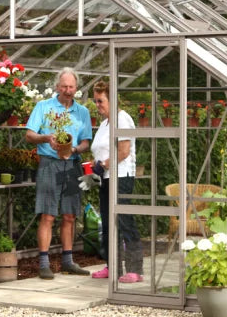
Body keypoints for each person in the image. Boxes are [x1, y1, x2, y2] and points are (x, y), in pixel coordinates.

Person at [25, 67, 93, 279]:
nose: (68, 90)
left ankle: (67, 261)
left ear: (76, 87)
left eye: (71, 86)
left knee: (70, 215)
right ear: (57, 86)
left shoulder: (82, 112)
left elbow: (85, 142)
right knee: (48, 215)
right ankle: (44, 263)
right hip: (49, 163)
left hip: (72, 165)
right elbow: (29, 134)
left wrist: (74, 149)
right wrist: (47, 138)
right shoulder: (44, 107)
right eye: (64, 86)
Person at [87, 80, 144, 283]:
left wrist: (104, 164)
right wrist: (94, 166)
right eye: (95, 101)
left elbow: (124, 151)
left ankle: (135, 269)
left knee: (124, 221)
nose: (97, 105)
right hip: (106, 178)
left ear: (112, 99)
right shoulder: (105, 123)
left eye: (100, 100)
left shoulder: (122, 119)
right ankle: (113, 265)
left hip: (121, 177)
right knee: (108, 223)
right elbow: (102, 151)